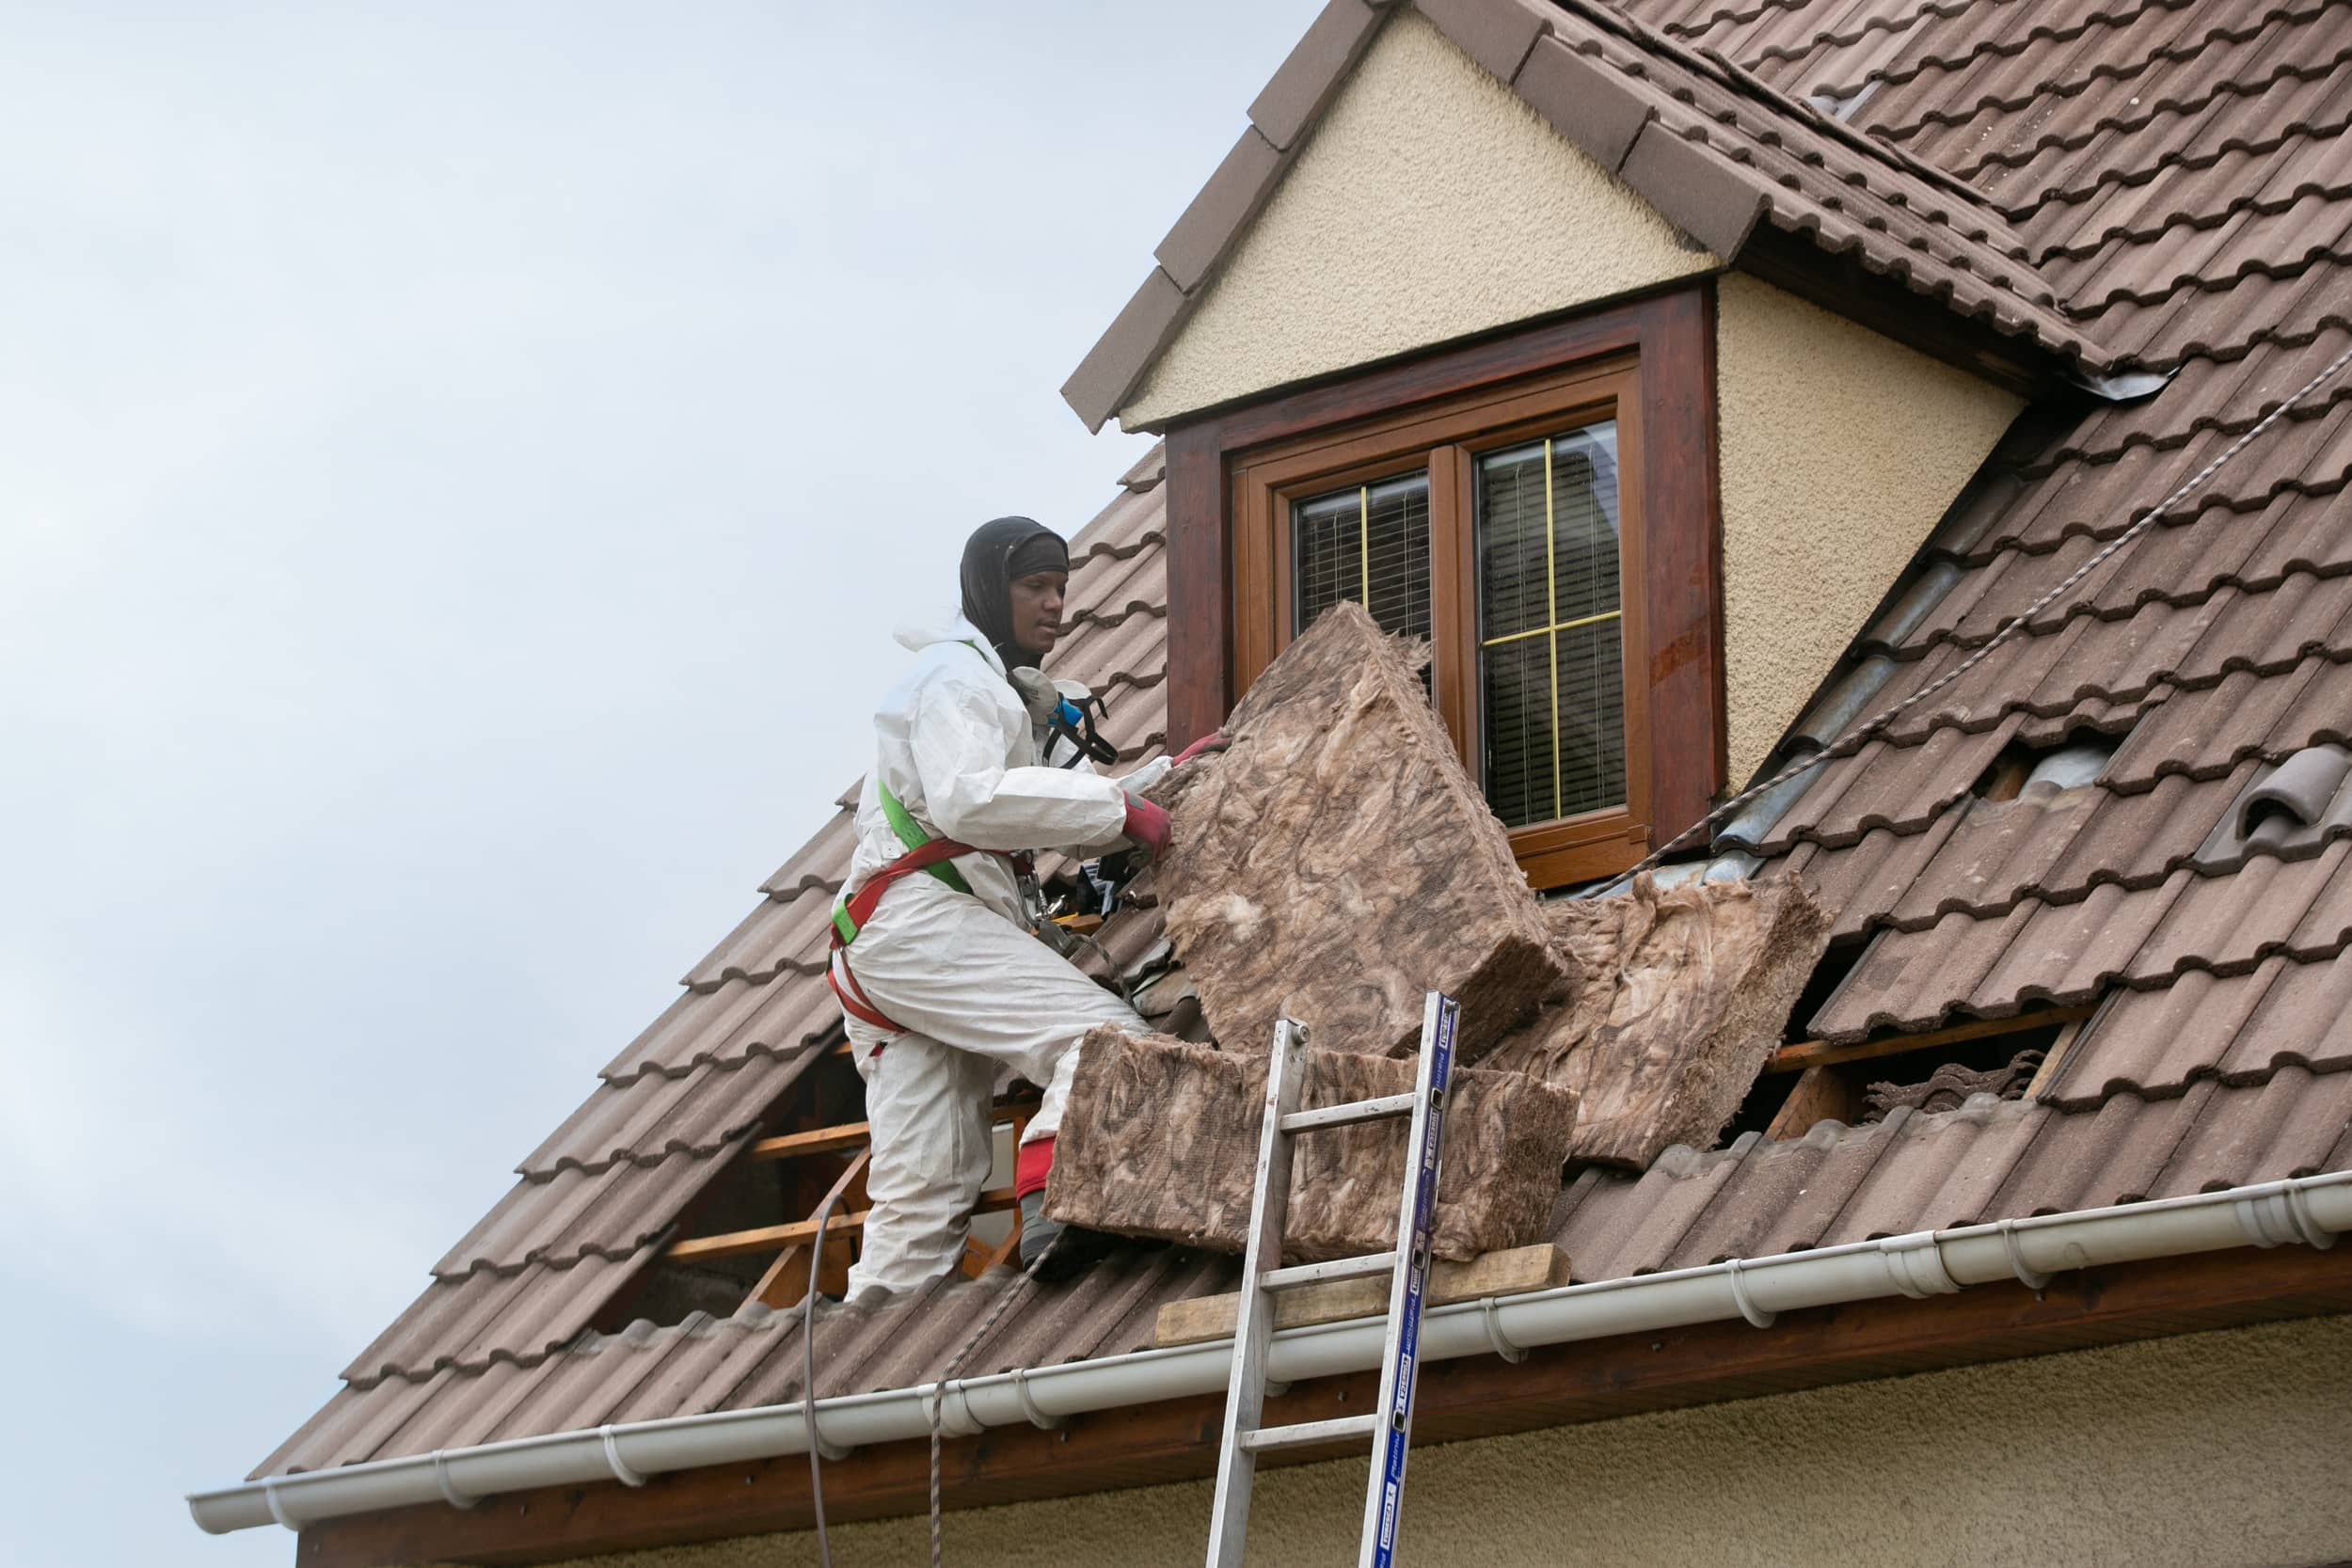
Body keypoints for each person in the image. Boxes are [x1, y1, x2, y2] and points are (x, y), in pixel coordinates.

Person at [826, 515, 1209, 1298]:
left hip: (886, 948)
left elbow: (1033, 804)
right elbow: (970, 800)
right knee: (1103, 1042)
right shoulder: (956, 678)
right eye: (1035, 585)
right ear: (988, 588)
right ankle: (1053, 1197)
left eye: (1061, 586)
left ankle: (867, 1345)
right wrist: (1120, 810)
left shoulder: (988, 686)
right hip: (918, 924)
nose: (1055, 603)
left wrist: (1157, 783)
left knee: (926, 1191)